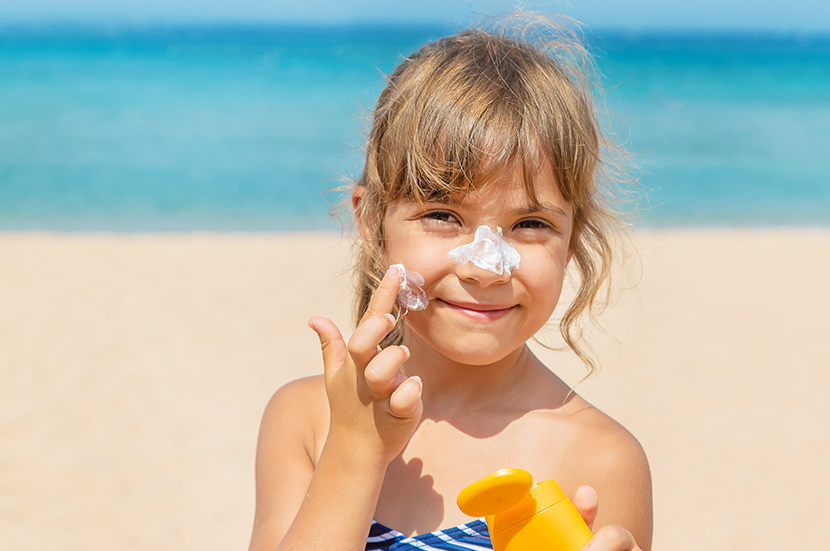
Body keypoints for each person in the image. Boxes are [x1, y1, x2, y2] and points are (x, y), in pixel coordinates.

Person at [248, 17, 652, 551]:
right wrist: (354, 449)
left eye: (531, 224)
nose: (485, 267)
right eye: (442, 215)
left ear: (571, 241)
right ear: (371, 221)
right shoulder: (308, 419)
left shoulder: (599, 459)